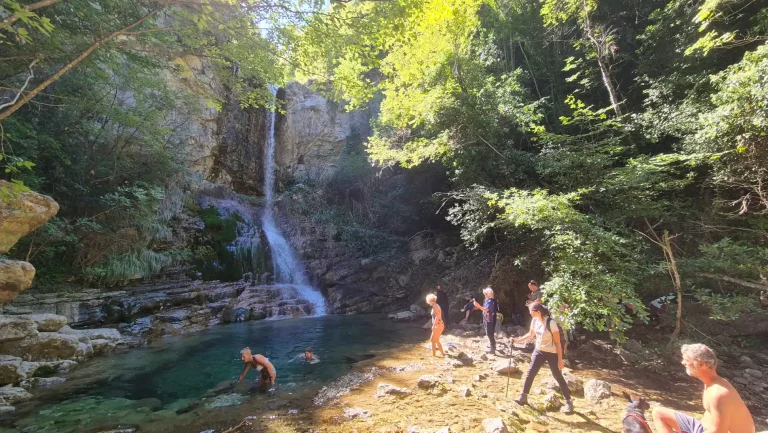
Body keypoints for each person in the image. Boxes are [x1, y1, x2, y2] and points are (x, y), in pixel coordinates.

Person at [652, 344, 755, 433]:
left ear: (701, 364)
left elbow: (718, 432)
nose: (683, 363)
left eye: (687, 360)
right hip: (703, 428)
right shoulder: (712, 383)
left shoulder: (718, 393)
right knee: (658, 413)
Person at [511, 303, 574, 414]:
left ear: (538, 312)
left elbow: (558, 343)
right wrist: (517, 340)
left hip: (552, 353)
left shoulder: (551, 323)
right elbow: (531, 334)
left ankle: (569, 402)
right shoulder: (535, 320)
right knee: (530, 373)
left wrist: (560, 360)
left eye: (531, 311)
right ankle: (523, 396)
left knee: (557, 376)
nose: (529, 313)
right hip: (539, 351)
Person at [474, 287, 498, 355]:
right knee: (489, 333)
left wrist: (478, 306)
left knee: (490, 333)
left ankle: (492, 348)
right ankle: (492, 345)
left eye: (486, 294)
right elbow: (485, 309)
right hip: (487, 318)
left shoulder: (491, 301)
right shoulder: (488, 300)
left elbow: (486, 309)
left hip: (489, 319)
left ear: (489, 294)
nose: (485, 295)